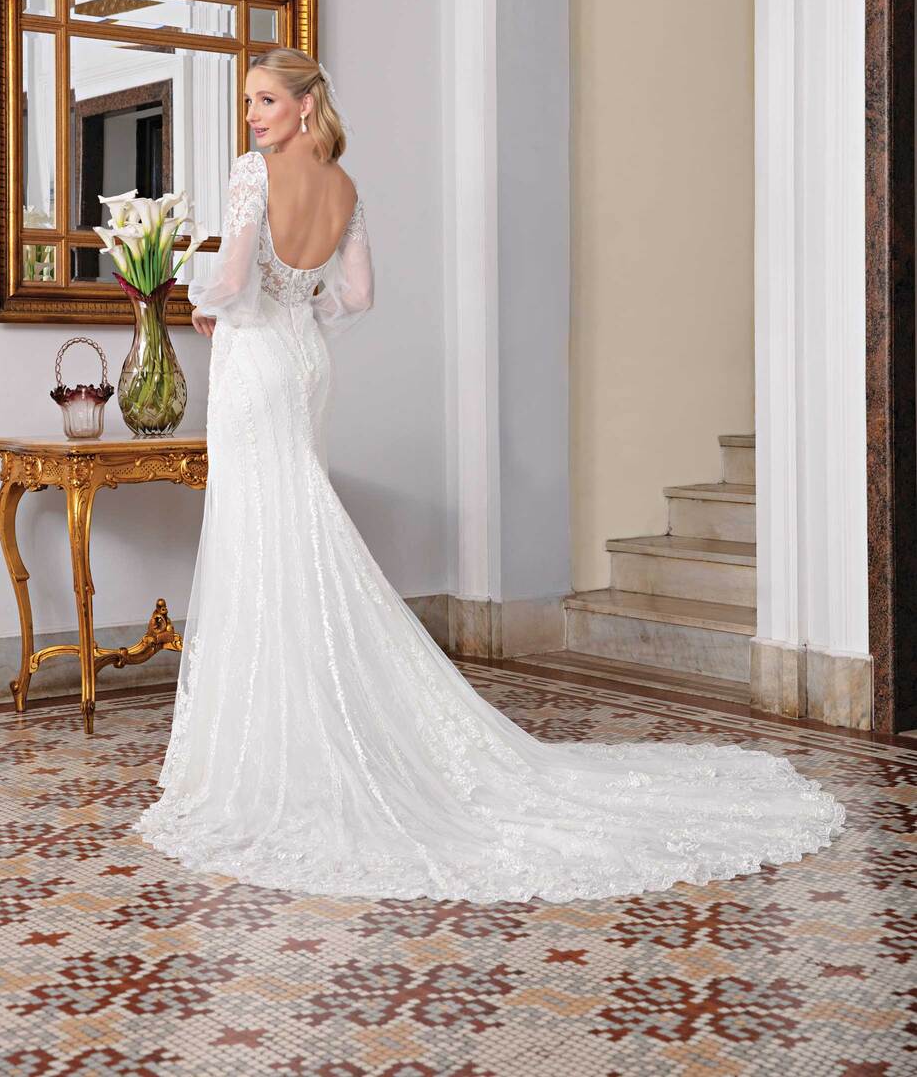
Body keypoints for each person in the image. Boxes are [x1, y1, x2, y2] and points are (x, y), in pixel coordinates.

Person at [132, 48, 845, 903]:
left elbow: (234, 276)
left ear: (305, 104)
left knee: (262, 534)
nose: (252, 115)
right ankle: (315, 719)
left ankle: (274, 745)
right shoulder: (345, 186)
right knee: (295, 525)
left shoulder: (254, 174)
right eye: (249, 102)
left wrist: (203, 304)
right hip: (307, 364)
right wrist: (298, 311)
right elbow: (357, 296)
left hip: (257, 368)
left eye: (266, 100)